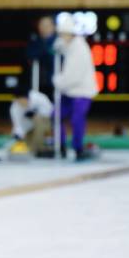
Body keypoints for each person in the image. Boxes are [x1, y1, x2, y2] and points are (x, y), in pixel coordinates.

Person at [52, 14, 99, 161]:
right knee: (55, 116)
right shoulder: (67, 44)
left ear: (70, 34)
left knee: (76, 119)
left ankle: (78, 148)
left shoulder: (79, 50)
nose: (61, 37)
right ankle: (60, 145)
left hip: (82, 92)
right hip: (69, 93)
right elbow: (58, 46)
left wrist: (57, 80)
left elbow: (72, 77)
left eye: (63, 34)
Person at [9, 86, 54, 157]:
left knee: (38, 120)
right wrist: (18, 136)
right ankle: (33, 149)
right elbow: (18, 125)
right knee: (26, 145)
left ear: (27, 97)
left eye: (23, 100)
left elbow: (50, 110)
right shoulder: (14, 108)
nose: (22, 103)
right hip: (28, 125)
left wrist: (36, 114)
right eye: (19, 101)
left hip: (44, 121)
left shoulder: (39, 98)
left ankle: (43, 149)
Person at [25, 15, 57, 99]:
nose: (44, 28)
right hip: (37, 84)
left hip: (56, 85)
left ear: (53, 27)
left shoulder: (60, 42)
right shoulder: (34, 42)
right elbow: (30, 55)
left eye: (47, 25)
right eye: (42, 25)